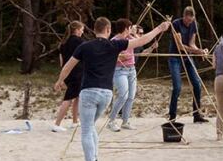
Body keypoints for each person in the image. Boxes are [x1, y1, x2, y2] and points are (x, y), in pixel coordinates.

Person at [55, 17, 170, 161]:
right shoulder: (114, 45)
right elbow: (142, 40)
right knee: (90, 127)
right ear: (108, 30)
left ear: (95, 30)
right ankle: (95, 157)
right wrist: (160, 28)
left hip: (88, 92)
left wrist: (60, 81)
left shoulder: (84, 46)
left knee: (85, 130)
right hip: (106, 94)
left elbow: (67, 66)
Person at [168, 6, 209, 123]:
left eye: (191, 20)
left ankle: (197, 115)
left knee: (197, 84)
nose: (189, 22)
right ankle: (172, 116)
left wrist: (201, 51)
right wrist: (197, 51)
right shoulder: (176, 24)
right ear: (184, 16)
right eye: (187, 20)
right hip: (175, 57)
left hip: (187, 57)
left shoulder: (194, 24)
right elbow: (180, 46)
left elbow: (192, 43)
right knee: (177, 87)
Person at [52, 21, 85, 132]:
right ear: (76, 30)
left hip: (68, 72)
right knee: (69, 98)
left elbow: (62, 62)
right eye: (81, 29)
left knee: (77, 96)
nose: (82, 31)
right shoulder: (79, 42)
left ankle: (75, 121)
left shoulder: (63, 42)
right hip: (77, 72)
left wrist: (63, 76)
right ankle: (57, 124)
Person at [107, 19, 139, 132]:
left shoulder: (131, 39)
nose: (131, 29)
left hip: (132, 70)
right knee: (123, 95)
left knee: (131, 97)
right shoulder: (114, 41)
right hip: (119, 70)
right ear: (126, 28)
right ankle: (111, 121)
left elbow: (141, 42)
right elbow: (108, 58)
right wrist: (120, 57)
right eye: (130, 28)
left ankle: (125, 121)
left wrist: (134, 34)